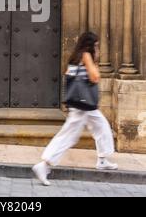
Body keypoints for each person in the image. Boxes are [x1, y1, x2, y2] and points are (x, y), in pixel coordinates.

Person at [32, 32, 118, 187]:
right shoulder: (86, 55)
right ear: (89, 45)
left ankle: (103, 159)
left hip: (82, 105)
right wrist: (95, 60)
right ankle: (43, 166)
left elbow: (69, 77)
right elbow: (95, 77)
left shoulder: (74, 58)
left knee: (102, 127)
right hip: (82, 106)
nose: (97, 48)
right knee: (68, 136)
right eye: (96, 45)